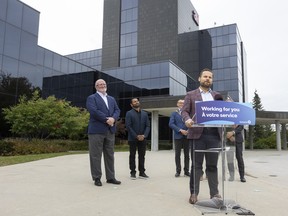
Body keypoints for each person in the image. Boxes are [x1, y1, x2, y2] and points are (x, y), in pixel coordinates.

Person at [181, 68, 222, 204]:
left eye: (210, 77)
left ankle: (214, 193)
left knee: (212, 165)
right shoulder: (191, 95)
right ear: (199, 78)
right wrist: (187, 120)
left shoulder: (217, 96)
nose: (207, 79)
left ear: (212, 80)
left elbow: (221, 113)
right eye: (205, 76)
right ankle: (194, 193)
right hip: (197, 134)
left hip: (214, 135)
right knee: (196, 165)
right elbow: (184, 111)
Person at [86, 79, 121, 186]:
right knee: (95, 155)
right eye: (100, 84)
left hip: (110, 130)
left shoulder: (111, 99)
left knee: (110, 155)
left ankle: (110, 177)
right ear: (96, 87)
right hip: (96, 130)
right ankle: (97, 178)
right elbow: (94, 111)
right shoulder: (92, 98)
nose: (102, 86)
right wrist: (107, 119)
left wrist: (113, 119)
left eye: (104, 84)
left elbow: (117, 110)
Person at [125, 98, 150, 179]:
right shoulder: (129, 113)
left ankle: (142, 172)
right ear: (131, 105)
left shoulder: (144, 113)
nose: (136, 102)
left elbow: (147, 126)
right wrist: (136, 136)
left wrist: (144, 135)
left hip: (143, 138)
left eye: (137, 101)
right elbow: (128, 126)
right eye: (134, 101)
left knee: (142, 155)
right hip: (132, 138)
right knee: (132, 155)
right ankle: (133, 172)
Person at [169, 99, 190, 177]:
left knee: (187, 155)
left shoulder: (188, 113)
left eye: (183, 103)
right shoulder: (174, 113)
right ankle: (178, 171)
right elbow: (171, 124)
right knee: (177, 154)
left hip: (187, 136)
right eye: (180, 103)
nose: (182, 104)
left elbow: (191, 123)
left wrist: (187, 130)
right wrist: (180, 130)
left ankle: (186, 171)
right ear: (177, 104)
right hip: (178, 136)